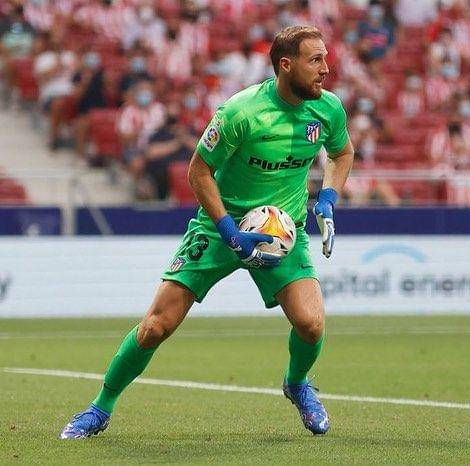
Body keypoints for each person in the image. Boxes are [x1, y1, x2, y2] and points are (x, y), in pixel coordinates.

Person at [59, 26, 354, 438]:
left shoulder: (328, 109)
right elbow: (198, 171)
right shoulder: (241, 112)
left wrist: (328, 198)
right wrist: (229, 230)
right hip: (220, 229)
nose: (326, 69)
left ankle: (297, 383)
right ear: (286, 65)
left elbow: (342, 152)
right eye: (315, 60)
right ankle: (99, 408)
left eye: (326, 58)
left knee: (312, 324)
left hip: (280, 234)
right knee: (156, 326)